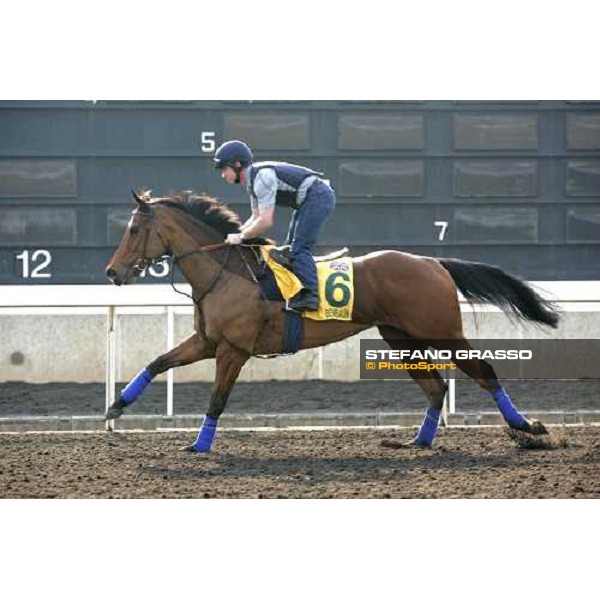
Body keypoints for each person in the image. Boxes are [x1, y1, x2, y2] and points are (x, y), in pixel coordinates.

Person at [213, 139, 336, 312]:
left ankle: (311, 297)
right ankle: (297, 290)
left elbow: (265, 221)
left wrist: (240, 237)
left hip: (318, 196)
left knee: (299, 249)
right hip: (309, 199)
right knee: (288, 251)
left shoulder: (262, 178)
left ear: (237, 164)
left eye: (224, 169)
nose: (223, 175)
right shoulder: (252, 181)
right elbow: (255, 217)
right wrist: (237, 234)